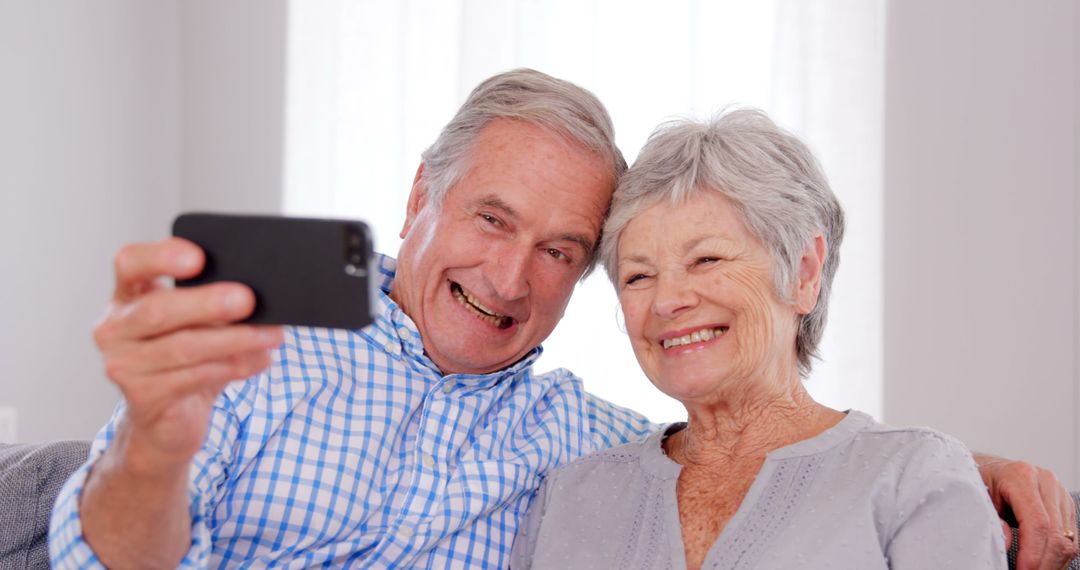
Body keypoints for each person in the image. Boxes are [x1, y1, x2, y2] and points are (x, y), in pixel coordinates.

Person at [48, 69, 1076, 569]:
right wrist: (153, 449)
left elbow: (759, 457)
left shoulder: (575, 446)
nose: (509, 275)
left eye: (563, 253)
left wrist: (947, 470)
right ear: (421, 198)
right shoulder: (250, 354)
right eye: (493, 218)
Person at [510, 110, 1074, 570]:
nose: (666, 301)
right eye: (638, 276)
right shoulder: (566, 494)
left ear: (803, 272)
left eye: (706, 259)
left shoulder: (914, 475)